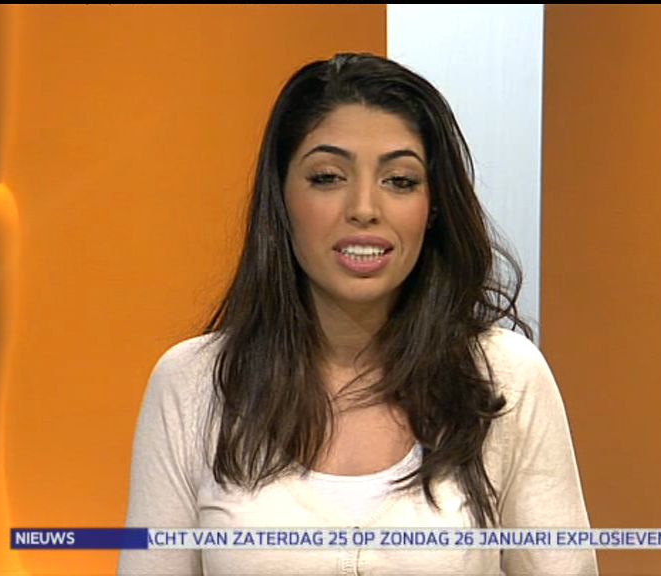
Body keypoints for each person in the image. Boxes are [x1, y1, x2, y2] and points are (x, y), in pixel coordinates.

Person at [118, 52, 598, 575]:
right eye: (328, 177)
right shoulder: (192, 385)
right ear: (281, 199)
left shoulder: (504, 376)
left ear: (433, 209)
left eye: (400, 181)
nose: (364, 208)